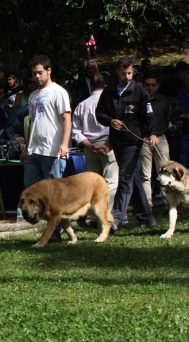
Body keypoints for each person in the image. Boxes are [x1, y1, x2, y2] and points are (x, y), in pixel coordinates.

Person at [96, 57, 159, 232]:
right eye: (124, 73)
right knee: (133, 177)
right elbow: (99, 113)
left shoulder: (139, 91)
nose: (127, 76)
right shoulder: (109, 92)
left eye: (130, 73)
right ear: (117, 73)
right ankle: (147, 218)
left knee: (124, 177)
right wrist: (110, 121)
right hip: (117, 141)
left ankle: (116, 219)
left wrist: (153, 133)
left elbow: (149, 115)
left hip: (133, 141)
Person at [20, 55, 72, 188]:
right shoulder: (32, 96)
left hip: (52, 150)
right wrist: (26, 148)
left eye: (40, 72)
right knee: (31, 192)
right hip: (33, 151)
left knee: (53, 194)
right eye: (34, 73)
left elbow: (66, 118)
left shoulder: (58, 92)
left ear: (49, 70)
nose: (37, 76)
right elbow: (32, 123)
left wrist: (65, 144)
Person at [71, 73, 118, 211]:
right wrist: (108, 144)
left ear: (90, 86)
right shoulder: (111, 102)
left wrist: (88, 144)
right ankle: (106, 212)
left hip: (90, 146)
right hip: (108, 144)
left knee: (93, 183)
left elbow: (75, 130)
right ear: (106, 86)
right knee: (111, 181)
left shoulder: (82, 105)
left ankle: (95, 213)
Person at [140, 72, 171, 207]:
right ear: (143, 86)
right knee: (145, 175)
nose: (150, 88)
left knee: (166, 171)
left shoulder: (164, 100)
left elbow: (167, 119)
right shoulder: (138, 100)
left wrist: (159, 134)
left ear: (157, 86)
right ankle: (147, 205)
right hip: (144, 139)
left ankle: (168, 203)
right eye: (147, 85)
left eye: (153, 85)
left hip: (161, 138)